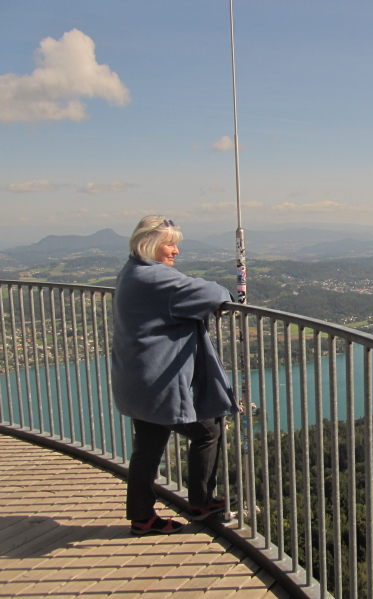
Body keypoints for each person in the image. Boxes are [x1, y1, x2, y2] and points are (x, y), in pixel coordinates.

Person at [112, 215, 238, 535]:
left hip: (137, 377)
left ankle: (141, 517)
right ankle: (201, 501)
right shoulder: (154, 278)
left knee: (149, 447)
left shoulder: (130, 272)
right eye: (171, 244)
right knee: (208, 430)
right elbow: (212, 294)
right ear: (150, 244)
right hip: (158, 381)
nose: (176, 251)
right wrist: (229, 291)